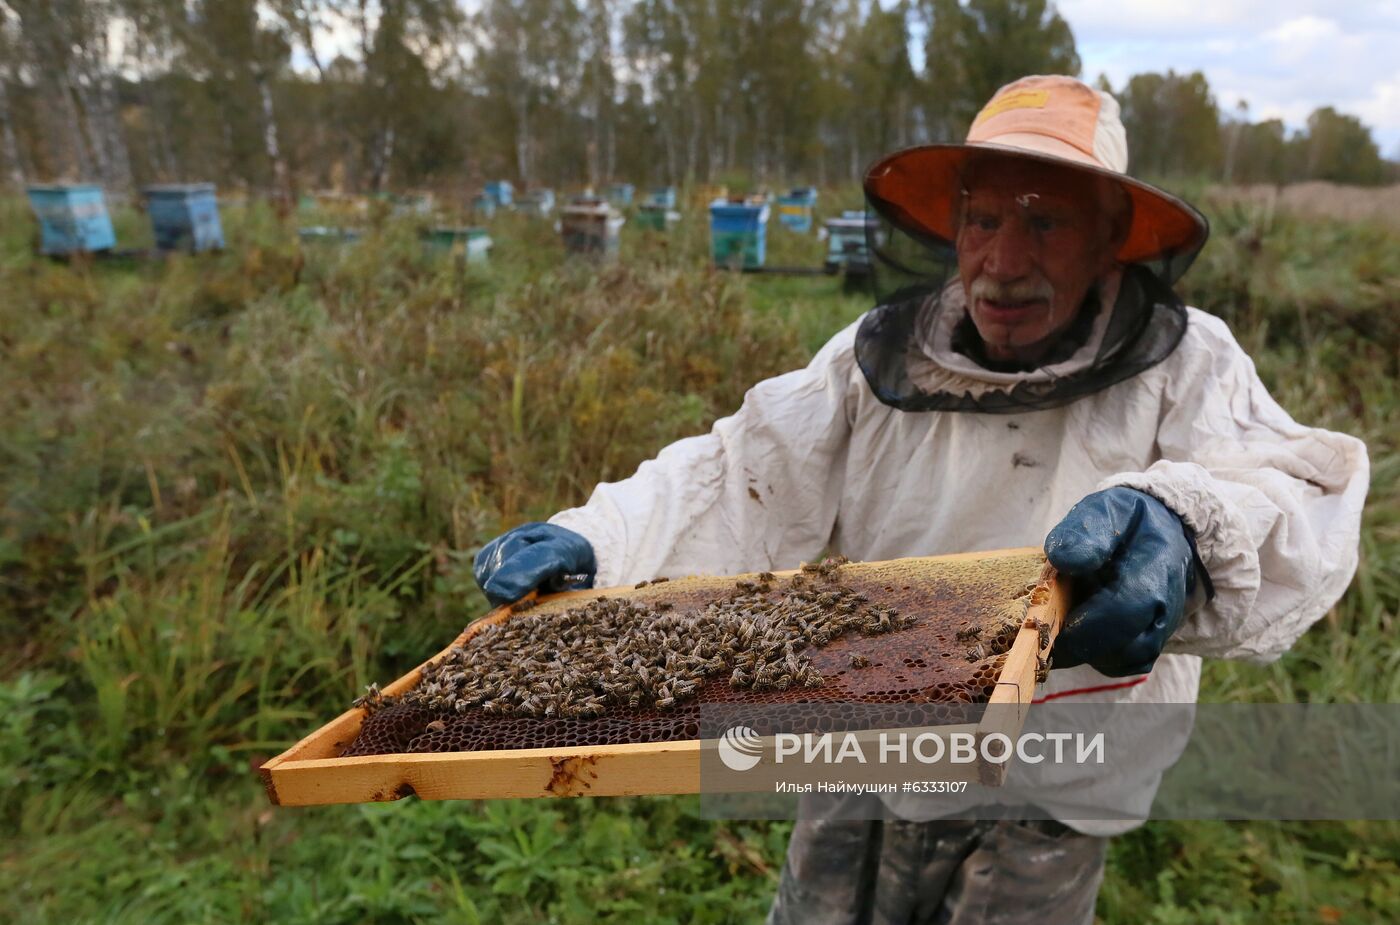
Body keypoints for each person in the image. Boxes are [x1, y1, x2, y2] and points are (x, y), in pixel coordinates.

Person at [473, 75, 1369, 924]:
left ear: (1109, 240)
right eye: (981, 220)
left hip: (1049, 787)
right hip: (864, 744)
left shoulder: (1188, 365)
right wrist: (596, 538)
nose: (1003, 262)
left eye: (1045, 223)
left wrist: (1185, 527)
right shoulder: (881, 356)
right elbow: (739, 467)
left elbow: (1295, 492)